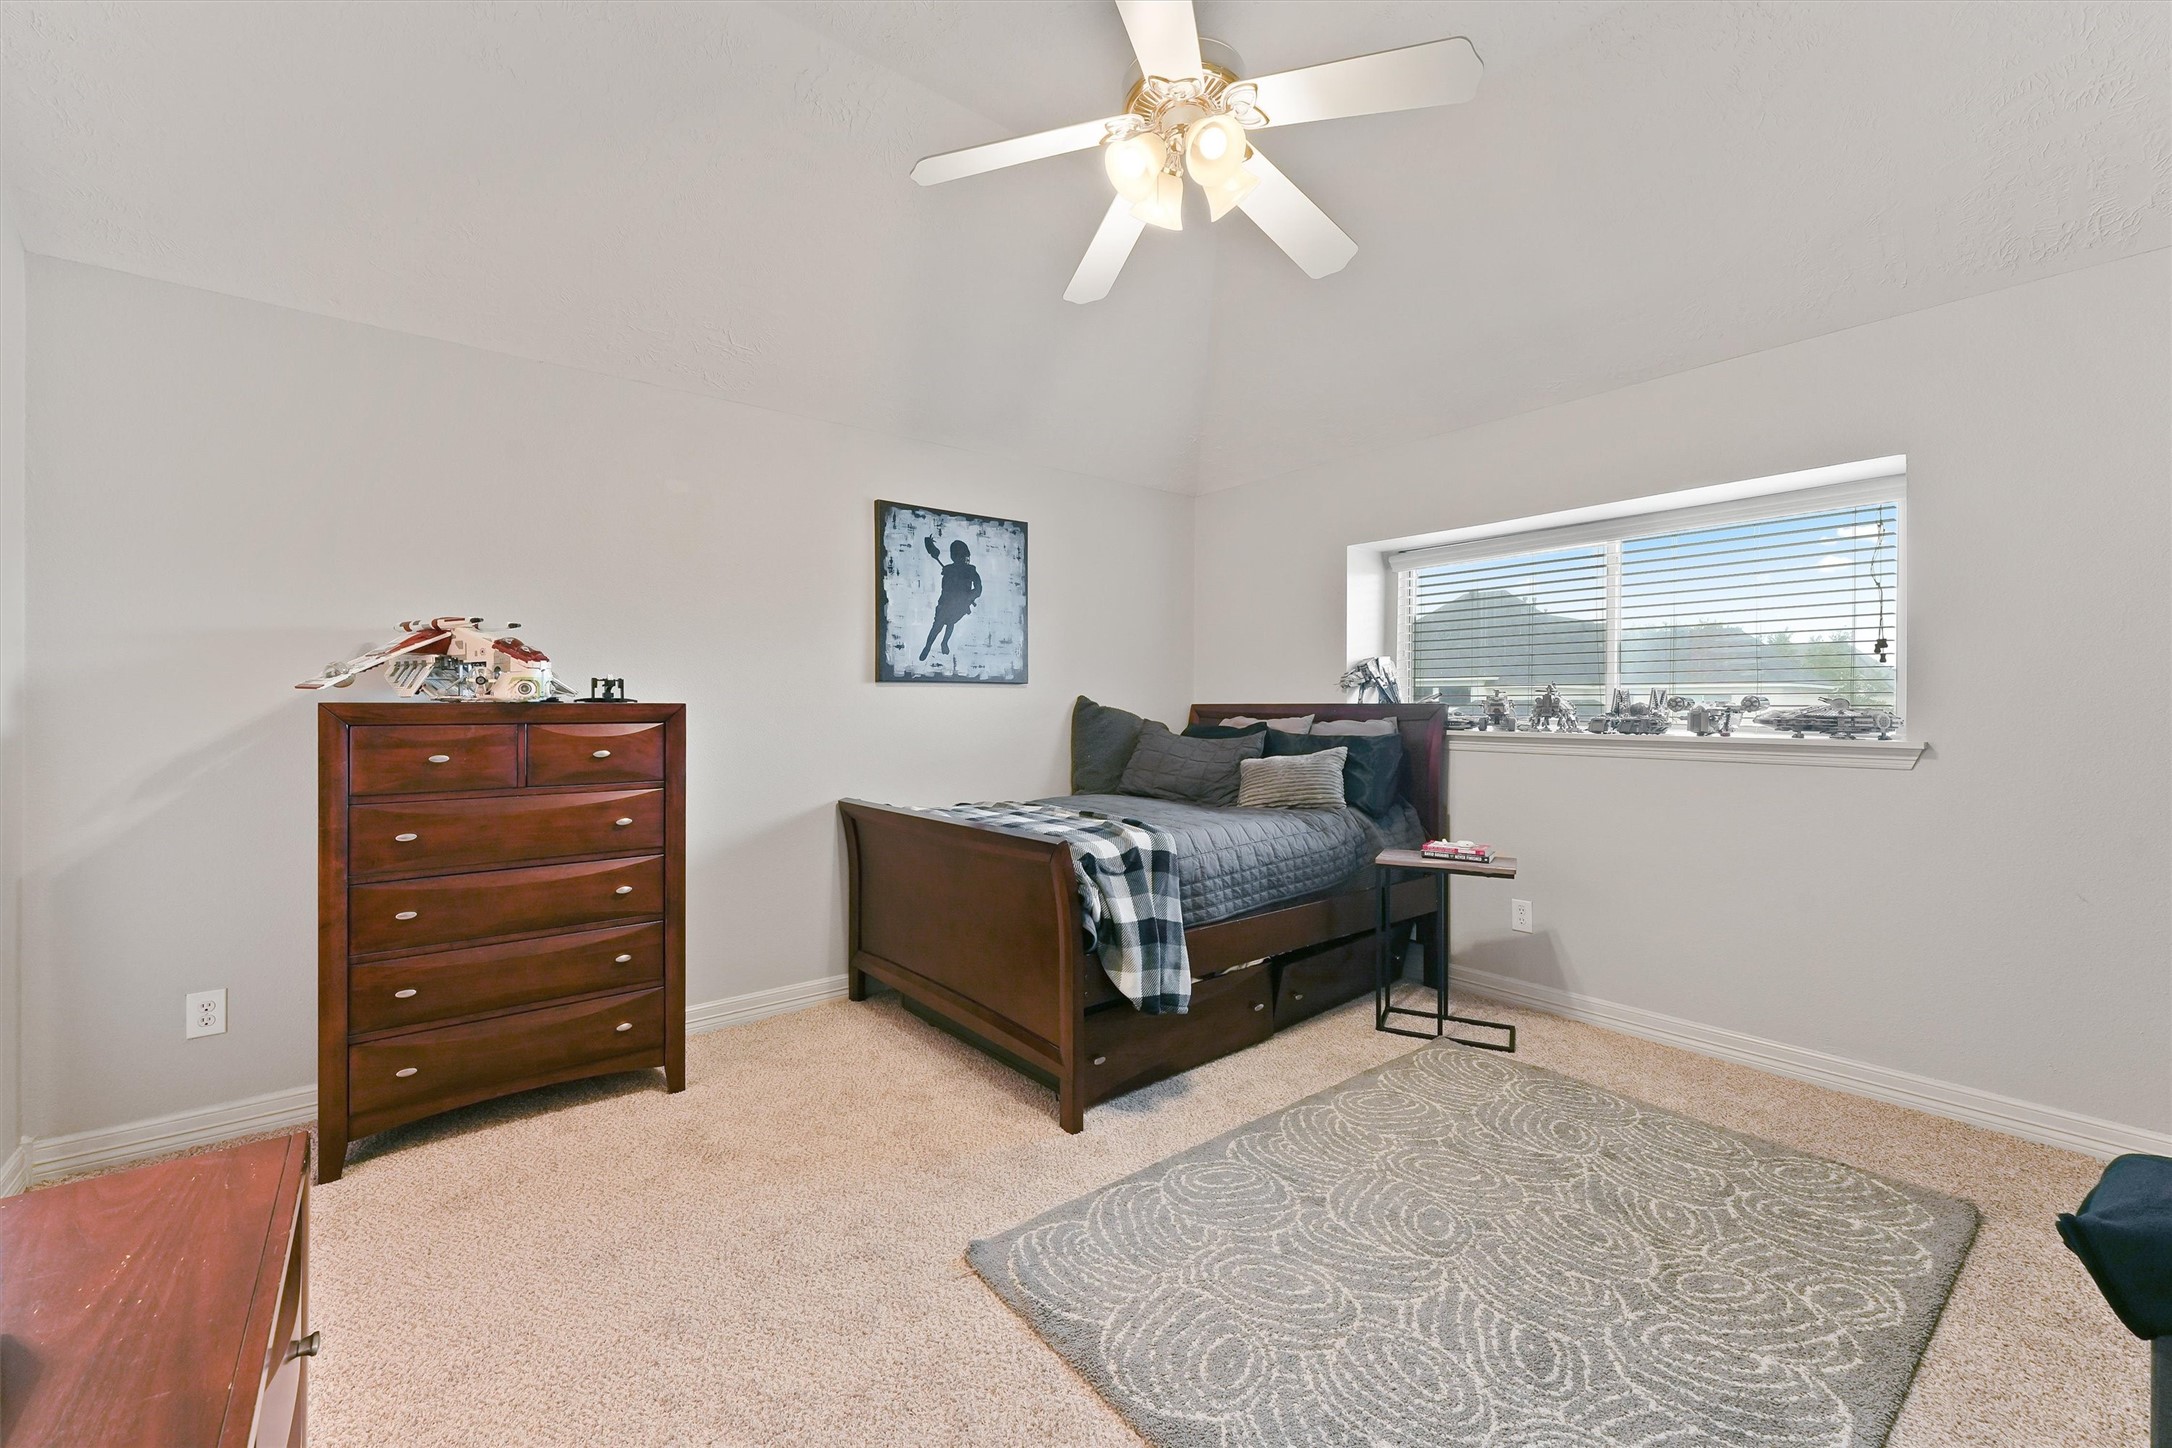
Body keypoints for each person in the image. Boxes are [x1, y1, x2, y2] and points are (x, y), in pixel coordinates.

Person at [919, 535, 983, 661]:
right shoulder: (949, 570)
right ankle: (928, 646)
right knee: (937, 625)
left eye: (962, 556)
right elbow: (946, 587)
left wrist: (969, 596)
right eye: (957, 556)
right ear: (953, 557)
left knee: (950, 623)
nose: (960, 559)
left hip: (960, 605)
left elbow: (978, 588)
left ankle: (944, 642)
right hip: (946, 603)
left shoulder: (971, 571)